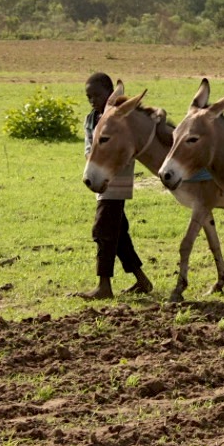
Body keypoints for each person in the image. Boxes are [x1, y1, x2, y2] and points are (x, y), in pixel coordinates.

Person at [78, 73, 153, 299]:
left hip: (116, 177)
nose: (92, 100)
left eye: (97, 95)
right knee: (118, 233)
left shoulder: (120, 117)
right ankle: (142, 280)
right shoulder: (92, 119)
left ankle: (104, 286)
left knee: (103, 229)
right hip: (101, 176)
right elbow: (89, 149)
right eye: (88, 96)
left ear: (110, 94)